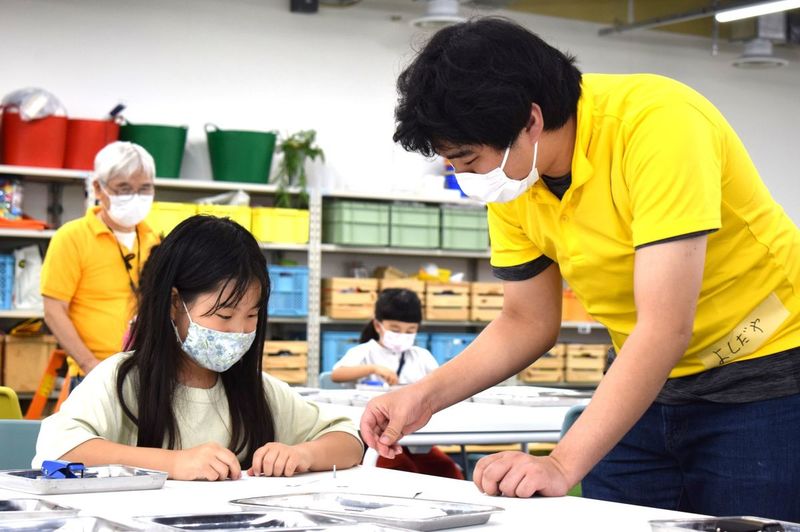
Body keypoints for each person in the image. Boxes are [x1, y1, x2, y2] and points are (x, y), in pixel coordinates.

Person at [361, 17, 800, 521]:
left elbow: (664, 326)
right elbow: (526, 320)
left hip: (764, 368)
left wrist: (561, 463)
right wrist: (422, 396)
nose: (465, 179)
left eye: (468, 159)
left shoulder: (659, 124)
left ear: (530, 121)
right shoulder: (516, 177)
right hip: (644, 378)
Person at [34, 216, 363, 480]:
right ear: (175, 303)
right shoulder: (122, 380)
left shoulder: (258, 392)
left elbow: (348, 439)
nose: (239, 331)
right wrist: (173, 463)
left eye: (252, 316)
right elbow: (55, 452)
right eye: (224, 315)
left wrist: (303, 454)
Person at [41, 141, 159, 387]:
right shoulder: (71, 237)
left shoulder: (154, 238)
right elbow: (54, 310)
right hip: (93, 375)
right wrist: (89, 364)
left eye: (144, 189)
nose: (135, 197)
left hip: (146, 372)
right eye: (124, 189)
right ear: (98, 188)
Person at [333, 288, 462, 479]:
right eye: (395, 330)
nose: (402, 335)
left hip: (415, 438)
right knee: (398, 469)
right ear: (378, 326)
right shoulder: (365, 352)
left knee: (447, 470)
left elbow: (441, 386)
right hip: (376, 437)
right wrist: (373, 369)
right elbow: (337, 374)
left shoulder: (421, 356)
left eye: (410, 331)